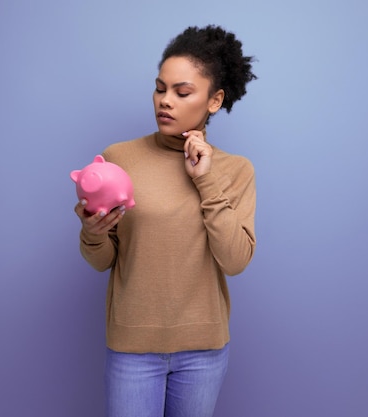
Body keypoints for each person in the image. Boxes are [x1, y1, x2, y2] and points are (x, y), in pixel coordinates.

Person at [74, 24, 257, 417]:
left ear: (214, 99)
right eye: (160, 88)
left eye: (182, 92)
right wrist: (92, 234)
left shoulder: (236, 170)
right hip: (133, 349)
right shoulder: (119, 158)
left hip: (204, 350)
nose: (165, 101)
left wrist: (205, 179)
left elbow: (236, 261)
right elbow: (102, 259)